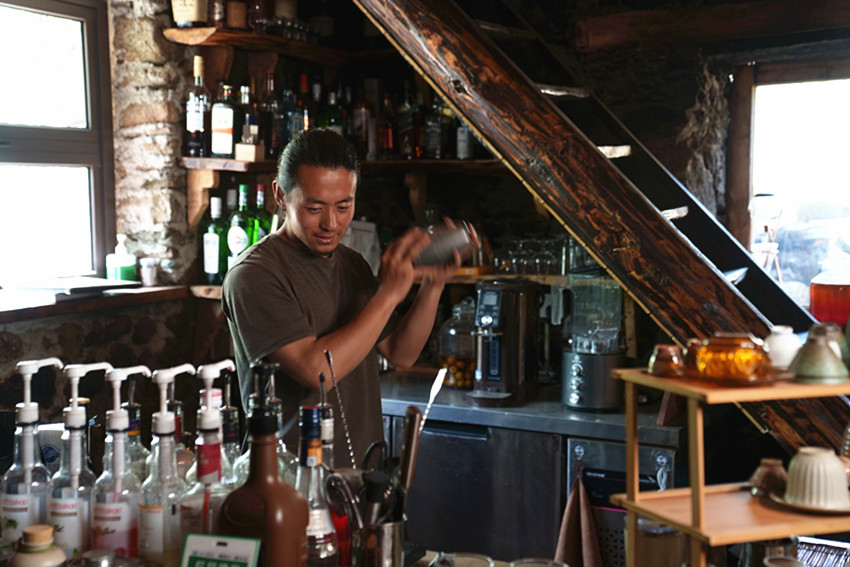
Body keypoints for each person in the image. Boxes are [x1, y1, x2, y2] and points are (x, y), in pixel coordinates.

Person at [222, 128, 458, 468]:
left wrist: (432, 286)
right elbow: (316, 371)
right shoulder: (253, 275)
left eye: (344, 206)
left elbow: (401, 353)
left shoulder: (352, 264)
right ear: (280, 195)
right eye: (314, 207)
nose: (331, 223)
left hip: (361, 475)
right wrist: (389, 294)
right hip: (289, 479)